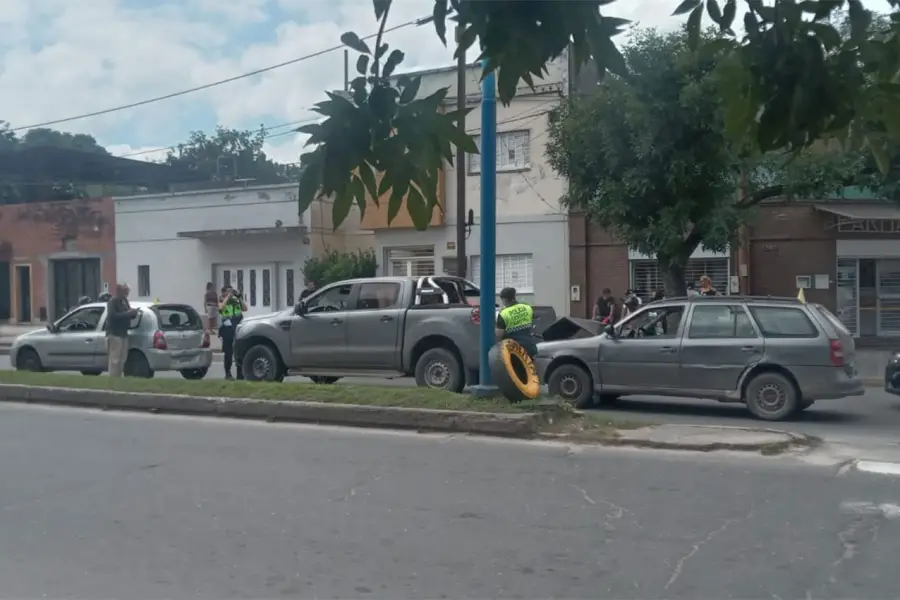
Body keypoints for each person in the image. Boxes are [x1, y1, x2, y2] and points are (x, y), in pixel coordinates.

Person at [105, 283, 138, 377]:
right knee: (115, 359)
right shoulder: (113, 302)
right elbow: (113, 316)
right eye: (126, 290)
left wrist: (133, 313)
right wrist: (127, 313)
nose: (127, 292)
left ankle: (119, 377)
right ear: (120, 290)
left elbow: (127, 313)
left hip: (123, 333)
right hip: (114, 334)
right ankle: (113, 377)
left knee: (122, 358)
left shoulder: (124, 301)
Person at [495, 287, 538, 359]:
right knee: (530, 369)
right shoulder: (527, 307)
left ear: (504, 299)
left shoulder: (504, 313)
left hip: (515, 351)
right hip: (530, 348)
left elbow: (499, 335)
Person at [219, 285, 248, 380]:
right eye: (228, 291)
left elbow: (245, 308)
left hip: (238, 328)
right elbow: (220, 308)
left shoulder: (236, 301)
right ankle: (228, 374)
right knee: (228, 353)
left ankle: (240, 374)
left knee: (239, 352)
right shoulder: (222, 300)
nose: (231, 293)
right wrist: (227, 297)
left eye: (231, 291)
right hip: (227, 330)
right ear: (223, 293)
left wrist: (239, 297)